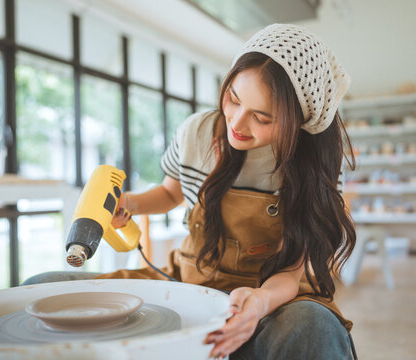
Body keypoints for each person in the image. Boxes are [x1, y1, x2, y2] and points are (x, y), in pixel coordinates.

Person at [24, 23, 357, 359]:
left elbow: (288, 274)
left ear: (298, 121)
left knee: (312, 328)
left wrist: (258, 304)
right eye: (233, 99)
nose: (237, 124)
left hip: (269, 296)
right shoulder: (197, 132)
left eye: (261, 117)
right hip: (188, 281)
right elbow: (171, 192)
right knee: (41, 288)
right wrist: (129, 204)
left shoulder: (313, 165)